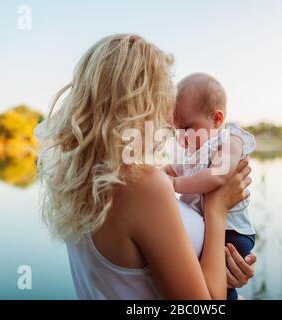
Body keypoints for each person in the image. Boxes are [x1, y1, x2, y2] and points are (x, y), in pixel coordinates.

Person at [35, 34, 256, 299]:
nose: (167, 114)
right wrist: (217, 208)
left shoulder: (82, 180)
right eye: (165, 94)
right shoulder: (142, 185)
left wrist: (222, 269)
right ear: (143, 102)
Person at [164, 73, 256, 300]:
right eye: (177, 130)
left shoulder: (229, 140)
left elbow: (217, 175)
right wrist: (157, 178)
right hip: (211, 228)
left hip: (232, 233)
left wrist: (174, 184)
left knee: (222, 286)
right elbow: (170, 170)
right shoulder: (190, 151)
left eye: (187, 128)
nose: (181, 137)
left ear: (216, 118)